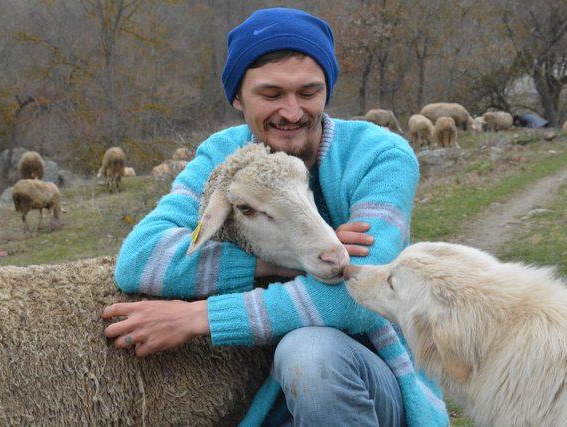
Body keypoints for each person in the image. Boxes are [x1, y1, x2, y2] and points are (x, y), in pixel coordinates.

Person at [103, 7, 448, 427]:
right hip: (265, 390)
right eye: (271, 94)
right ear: (237, 97)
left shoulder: (381, 156)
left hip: (372, 379)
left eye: (308, 92)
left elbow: (361, 300)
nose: (291, 111)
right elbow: (141, 256)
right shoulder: (222, 157)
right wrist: (280, 261)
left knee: (310, 354)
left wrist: (199, 318)